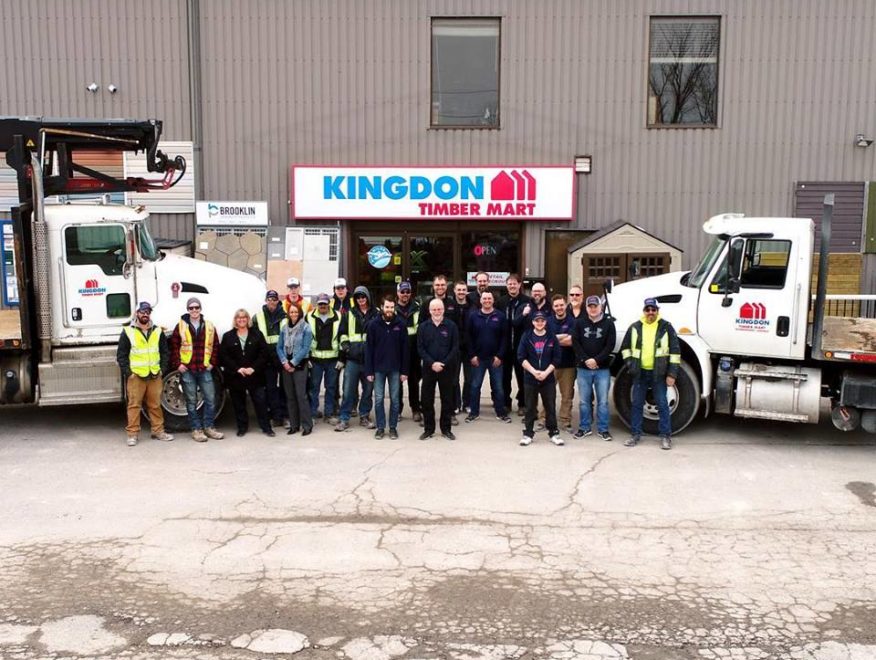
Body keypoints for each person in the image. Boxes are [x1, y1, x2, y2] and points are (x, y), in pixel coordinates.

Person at [620, 297, 681, 450]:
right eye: (648, 309)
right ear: (644, 311)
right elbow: (625, 348)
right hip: (639, 373)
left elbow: (675, 352)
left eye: (653, 309)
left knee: (662, 405)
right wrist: (630, 364)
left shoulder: (666, 327)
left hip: (658, 374)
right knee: (637, 405)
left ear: (657, 311)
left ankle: (666, 436)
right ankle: (635, 434)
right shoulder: (635, 327)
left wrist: (672, 374)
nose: (650, 312)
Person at [116, 301, 174, 446]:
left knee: (155, 405)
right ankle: (132, 434)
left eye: (148, 312)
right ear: (137, 313)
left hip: (154, 375)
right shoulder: (128, 331)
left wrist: (162, 369)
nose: (145, 315)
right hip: (136, 376)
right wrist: (129, 373)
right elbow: (121, 355)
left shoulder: (157, 331)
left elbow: (165, 352)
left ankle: (158, 431)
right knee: (134, 405)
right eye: (142, 312)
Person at [169, 296, 223, 442]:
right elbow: (173, 346)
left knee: (210, 399)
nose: (194, 310)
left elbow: (216, 346)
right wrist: (178, 364)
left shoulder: (209, 326)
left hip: (205, 369)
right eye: (191, 308)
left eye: (196, 307)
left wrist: (212, 363)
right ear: (187, 310)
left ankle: (209, 427)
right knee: (191, 402)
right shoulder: (180, 326)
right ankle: (196, 429)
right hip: (188, 370)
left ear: (200, 309)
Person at [220, 309, 274, 437]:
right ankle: (242, 427)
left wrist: (253, 368)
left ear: (248, 319)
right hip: (236, 375)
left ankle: (266, 428)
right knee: (239, 404)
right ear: (235, 320)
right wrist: (238, 369)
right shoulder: (228, 336)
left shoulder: (257, 334)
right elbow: (224, 356)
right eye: (239, 317)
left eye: (244, 317)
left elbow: (264, 354)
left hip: (255, 375)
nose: (241, 319)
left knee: (260, 402)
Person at [572, 295, 616, 441]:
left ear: (600, 307)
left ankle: (603, 429)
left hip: (602, 369)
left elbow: (610, 345)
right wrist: (586, 360)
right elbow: (575, 342)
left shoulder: (609, 324)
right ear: (586, 308)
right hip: (583, 369)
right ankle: (584, 427)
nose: (592, 309)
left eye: (595, 306)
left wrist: (596, 360)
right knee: (584, 401)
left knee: (602, 401)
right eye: (590, 306)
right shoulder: (579, 323)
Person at [366, 295, 409, 439]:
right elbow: (369, 349)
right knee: (378, 400)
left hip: (395, 369)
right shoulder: (373, 325)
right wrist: (369, 370)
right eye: (387, 307)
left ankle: (392, 428)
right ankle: (380, 427)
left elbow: (405, 350)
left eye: (391, 307)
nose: (389, 310)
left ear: (394, 307)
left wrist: (404, 371)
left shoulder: (401, 325)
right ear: (382, 307)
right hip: (378, 369)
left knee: (395, 400)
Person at [465, 290, 511, 424]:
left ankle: (501, 413)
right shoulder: (473, 316)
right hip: (478, 358)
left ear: (493, 300)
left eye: (489, 298)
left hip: (495, 359)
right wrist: (472, 355)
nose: (486, 301)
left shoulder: (500, 316)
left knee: (498, 387)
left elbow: (504, 338)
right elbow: (469, 337)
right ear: (480, 301)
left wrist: (500, 356)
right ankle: (473, 413)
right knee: (475, 386)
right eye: (484, 299)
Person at [336, 285, 378, 431]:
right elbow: (342, 333)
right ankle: (344, 418)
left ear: (368, 297)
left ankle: (364, 416)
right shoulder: (349, 314)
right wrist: (347, 348)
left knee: (367, 390)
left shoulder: (376, 313)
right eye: (358, 297)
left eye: (363, 296)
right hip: (352, 359)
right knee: (348, 391)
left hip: (369, 360)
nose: (361, 299)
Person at [517, 311, 562, 446]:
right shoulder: (527, 336)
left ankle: (554, 433)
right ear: (533, 322)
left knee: (550, 406)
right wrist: (533, 371)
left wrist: (546, 373)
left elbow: (557, 358)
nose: (540, 323)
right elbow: (521, 357)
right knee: (530, 407)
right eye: (537, 321)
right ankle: (528, 434)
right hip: (531, 378)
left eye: (542, 320)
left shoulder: (551, 337)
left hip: (547, 378)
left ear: (545, 322)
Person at [417, 298, 459, 441]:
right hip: (429, 369)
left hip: (446, 369)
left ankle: (446, 429)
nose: (437, 312)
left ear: (443, 310)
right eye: (434, 309)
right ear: (429, 311)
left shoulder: (451, 326)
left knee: (447, 400)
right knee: (427, 400)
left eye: (439, 309)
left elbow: (455, 348)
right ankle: (429, 429)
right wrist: (432, 363)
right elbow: (420, 348)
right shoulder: (423, 327)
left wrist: (443, 363)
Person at [496, 273, 530, 416]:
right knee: (505, 377)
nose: (512, 286)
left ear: (519, 284)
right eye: (509, 283)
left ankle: (522, 403)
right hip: (505, 346)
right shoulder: (501, 302)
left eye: (514, 283)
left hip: (520, 346)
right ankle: (506, 403)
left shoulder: (527, 301)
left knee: (522, 377)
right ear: (506, 285)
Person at [278, 303, 314, 436]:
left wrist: (293, 363)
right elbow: (279, 347)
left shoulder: (306, 328)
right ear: (288, 313)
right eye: (291, 312)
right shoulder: (284, 328)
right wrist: (284, 362)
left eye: (296, 312)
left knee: (301, 396)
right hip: (286, 366)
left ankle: (307, 425)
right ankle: (294, 425)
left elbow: (305, 348)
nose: (293, 314)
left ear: (300, 313)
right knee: (290, 397)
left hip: (300, 366)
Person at [255, 289, 288, 427]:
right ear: (266, 300)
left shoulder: (285, 316)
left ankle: (286, 415)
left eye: (274, 299)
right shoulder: (258, 316)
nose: (272, 302)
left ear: (278, 301)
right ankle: (276, 417)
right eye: (269, 299)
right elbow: (254, 337)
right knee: (271, 388)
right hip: (267, 359)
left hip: (283, 357)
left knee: (286, 389)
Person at [308, 292, 343, 423]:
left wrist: (342, 359)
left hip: (332, 359)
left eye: (325, 304)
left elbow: (342, 336)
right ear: (317, 304)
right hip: (315, 359)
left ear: (329, 304)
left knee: (331, 388)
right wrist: (307, 358)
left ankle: (329, 414)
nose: (323, 306)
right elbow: (305, 339)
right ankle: (312, 413)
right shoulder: (309, 317)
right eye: (320, 304)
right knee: (314, 388)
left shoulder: (338, 316)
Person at [548, 293, 577, 433]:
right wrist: (559, 339)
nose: (559, 307)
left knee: (567, 396)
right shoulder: (547, 321)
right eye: (556, 305)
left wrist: (553, 340)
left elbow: (570, 341)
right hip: (550, 364)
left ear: (565, 305)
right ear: (553, 307)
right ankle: (544, 420)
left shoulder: (573, 322)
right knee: (547, 394)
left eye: (561, 305)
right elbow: (546, 341)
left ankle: (565, 422)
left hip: (568, 364)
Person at [395, 281, 422, 423]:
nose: (405, 294)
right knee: (397, 384)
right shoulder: (392, 309)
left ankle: (416, 409)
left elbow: (422, 330)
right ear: (398, 293)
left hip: (414, 353)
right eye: (402, 292)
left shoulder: (417, 308)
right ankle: (397, 410)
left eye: (407, 292)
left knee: (414, 383)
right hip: (397, 353)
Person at [452, 280, 472, 419]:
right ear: (454, 291)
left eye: (463, 290)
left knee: (469, 378)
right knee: (454, 379)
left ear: (466, 291)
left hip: (469, 348)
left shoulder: (473, 306)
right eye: (458, 290)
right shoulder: (450, 305)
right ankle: (456, 404)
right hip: (454, 347)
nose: (461, 292)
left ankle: (467, 403)